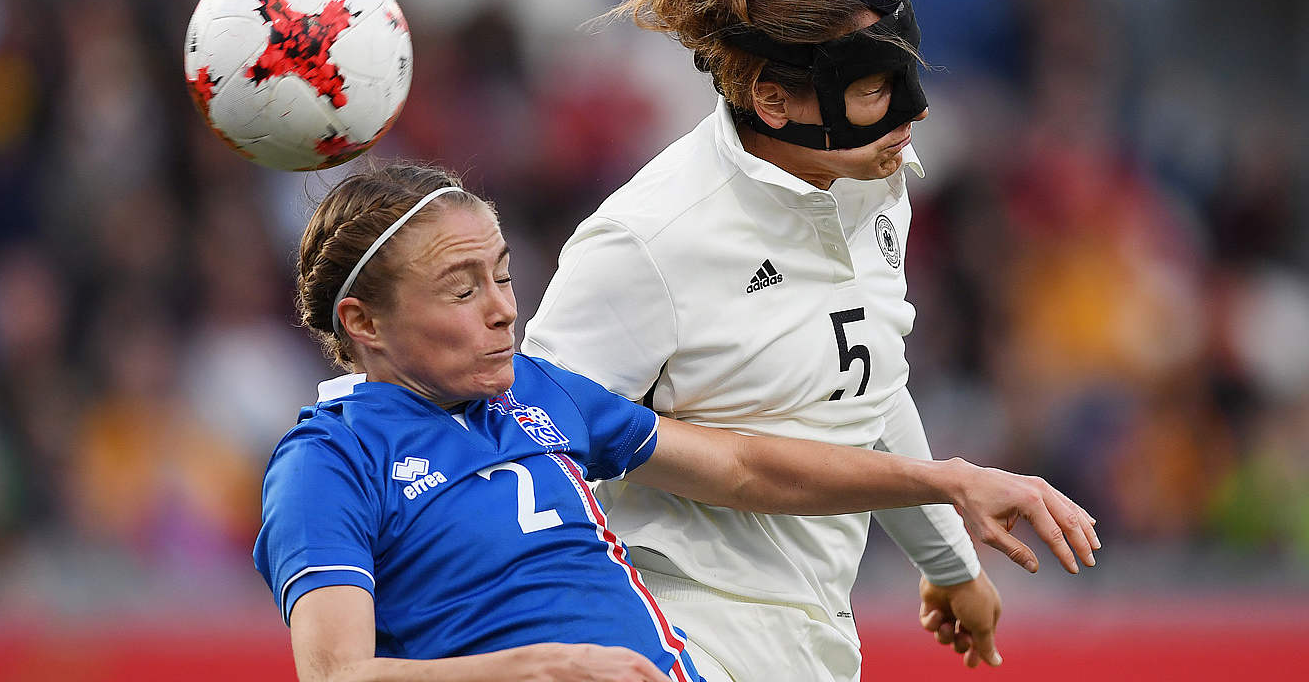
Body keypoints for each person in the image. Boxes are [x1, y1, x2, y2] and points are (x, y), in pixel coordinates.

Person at [255, 161, 1097, 682]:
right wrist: (536, 670)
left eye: (504, 275)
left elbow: (746, 470)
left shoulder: (543, 393)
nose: (504, 310)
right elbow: (338, 676)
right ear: (363, 323)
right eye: (462, 288)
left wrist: (947, 481)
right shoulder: (325, 460)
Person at [522, 0, 1086, 680]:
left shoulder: (873, 183)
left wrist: (950, 566)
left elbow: (868, 386)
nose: (912, 114)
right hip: (665, 624)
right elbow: (531, 452)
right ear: (773, 98)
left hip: (817, 626)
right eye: (874, 88)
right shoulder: (645, 239)